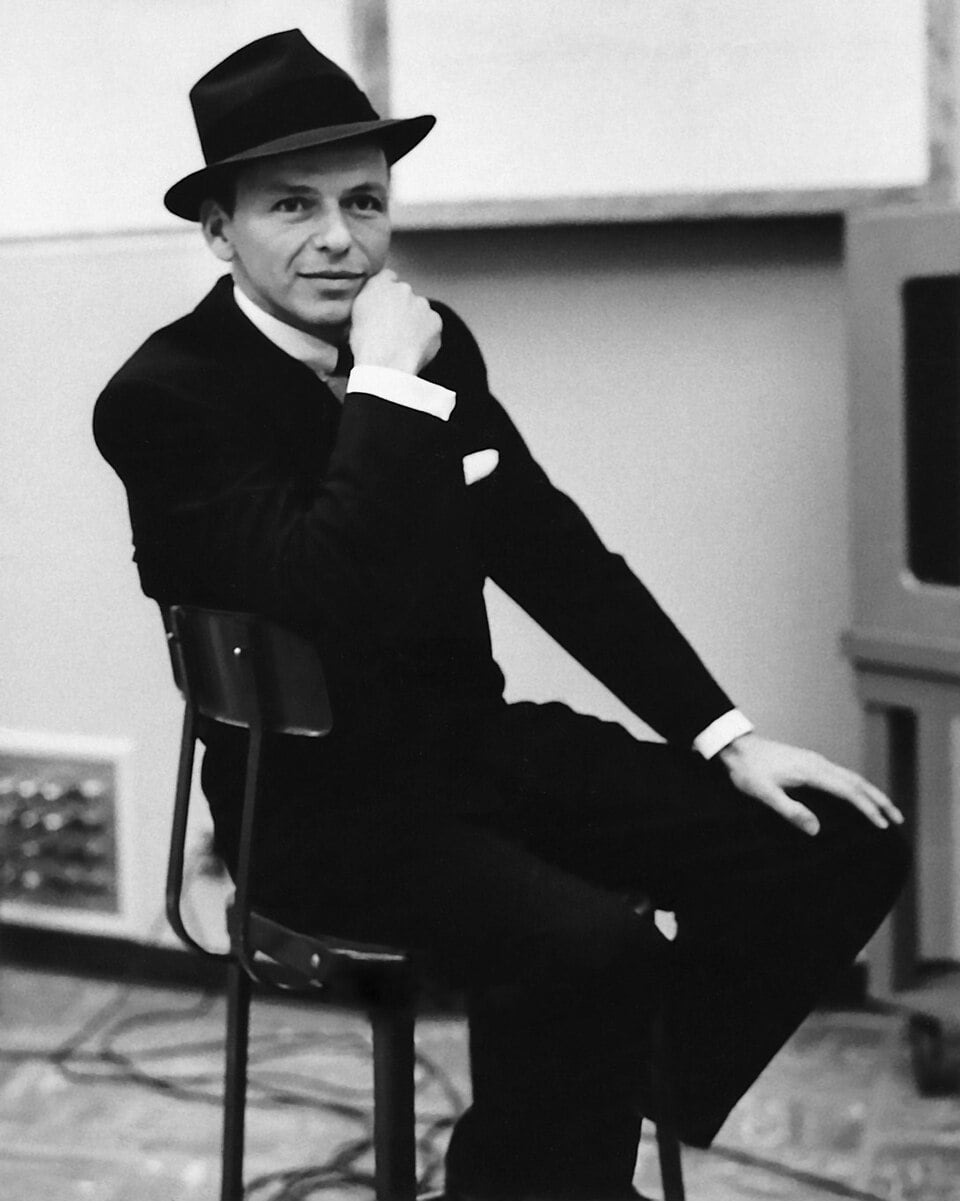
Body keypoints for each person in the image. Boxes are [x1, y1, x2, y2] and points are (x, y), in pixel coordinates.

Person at [93, 30, 909, 1201]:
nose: (340, 238)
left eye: (364, 201)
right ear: (220, 230)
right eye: (292, 206)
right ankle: (554, 1164)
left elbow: (550, 551)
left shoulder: (438, 344)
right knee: (594, 945)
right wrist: (385, 383)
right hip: (319, 806)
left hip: (477, 750)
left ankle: (564, 1145)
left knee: (840, 842)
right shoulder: (165, 398)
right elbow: (324, 594)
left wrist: (726, 736)